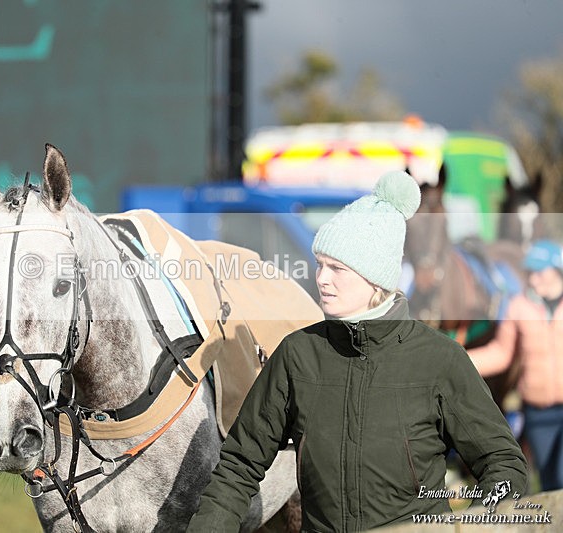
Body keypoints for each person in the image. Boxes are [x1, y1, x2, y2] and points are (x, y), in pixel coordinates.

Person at [187, 171, 527, 532]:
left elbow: (504, 465)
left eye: (337, 268)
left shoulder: (440, 359)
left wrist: (472, 527)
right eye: (320, 264)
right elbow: (238, 467)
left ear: (375, 280)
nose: (322, 278)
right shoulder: (296, 356)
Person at [467, 239, 563, 491]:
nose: (533, 279)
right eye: (530, 272)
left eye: (540, 272)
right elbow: (501, 353)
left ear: (557, 271)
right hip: (537, 413)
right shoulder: (519, 306)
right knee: (550, 482)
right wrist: (460, 361)